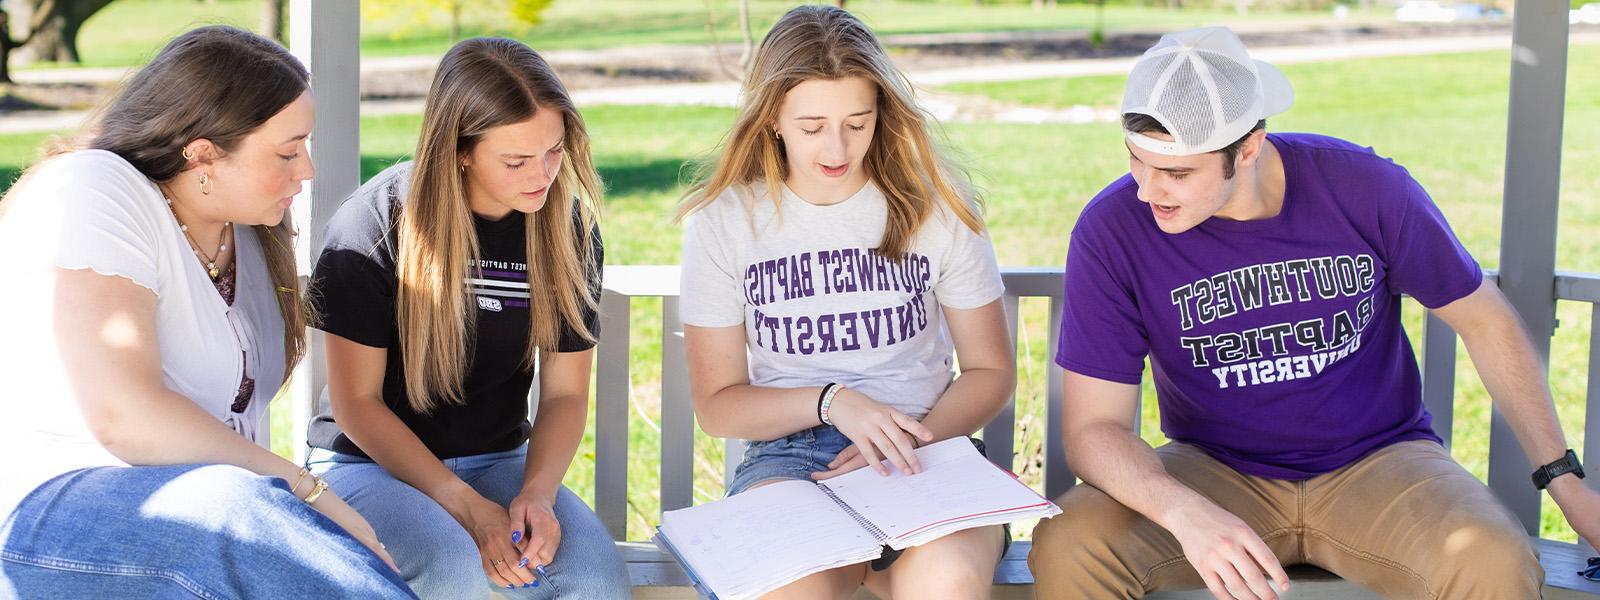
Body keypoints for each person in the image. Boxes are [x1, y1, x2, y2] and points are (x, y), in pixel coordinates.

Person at [1028, 26, 1595, 600]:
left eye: (1177, 173)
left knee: (1491, 560)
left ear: (1247, 148)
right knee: (1071, 543)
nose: (1149, 192)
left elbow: (1485, 321)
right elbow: (1094, 430)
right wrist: (1182, 511)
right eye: (1137, 162)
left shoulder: (1367, 189)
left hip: (1380, 463)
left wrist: (1566, 486)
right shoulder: (1113, 229)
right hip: (1213, 470)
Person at [0, 25, 413, 599]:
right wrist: (306, 491)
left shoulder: (246, 229)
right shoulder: (94, 187)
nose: (308, 171)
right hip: (46, 508)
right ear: (202, 156)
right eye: (288, 151)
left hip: (207, 505)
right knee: (238, 512)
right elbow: (125, 417)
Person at [677, 6, 1016, 599]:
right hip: (792, 460)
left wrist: (914, 437)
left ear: (881, 113)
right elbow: (718, 407)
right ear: (772, 119)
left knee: (949, 585)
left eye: (857, 123)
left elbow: (990, 371)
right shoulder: (725, 222)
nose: (837, 148)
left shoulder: (937, 207)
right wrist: (835, 403)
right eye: (812, 127)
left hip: (929, 449)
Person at [304, 37, 629, 599]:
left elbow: (565, 396)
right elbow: (357, 404)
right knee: (456, 570)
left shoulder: (566, 230)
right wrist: (466, 507)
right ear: (459, 150)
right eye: (516, 161)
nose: (544, 175)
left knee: (594, 578)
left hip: (499, 460)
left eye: (554, 151)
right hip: (369, 466)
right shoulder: (374, 224)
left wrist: (539, 493)